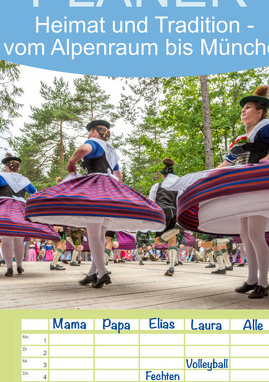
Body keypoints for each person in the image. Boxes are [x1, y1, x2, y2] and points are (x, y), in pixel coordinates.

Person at [174, 86, 269, 299]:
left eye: (248, 107)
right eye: (243, 108)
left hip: (259, 184)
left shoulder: (266, 126)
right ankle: (251, 280)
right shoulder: (241, 138)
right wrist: (203, 179)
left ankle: (263, 283)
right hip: (243, 186)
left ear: (259, 112)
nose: (243, 111)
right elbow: (226, 164)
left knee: (256, 234)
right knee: (245, 235)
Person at [25, 119, 165, 288]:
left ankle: (103, 272)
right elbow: (118, 175)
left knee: (93, 234)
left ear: (93, 132)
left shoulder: (94, 142)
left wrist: (71, 162)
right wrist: (115, 193)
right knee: (100, 235)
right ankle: (92, 274)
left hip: (96, 189)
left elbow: (84, 149)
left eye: (89, 133)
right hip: (109, 190)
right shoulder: (110, 150)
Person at [0, 154, 59, 277]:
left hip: (5, 209)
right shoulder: (24, 180)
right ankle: (20, 266)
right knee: (19, 239)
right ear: (18, 168)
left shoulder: (2, 177)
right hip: (21, 209)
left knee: (6, 238)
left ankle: (9, 267)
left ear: (6, 167)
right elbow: (35, 193)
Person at [149, 159, 180, 277]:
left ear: (163, 175)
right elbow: (179, 201)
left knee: (158, 241)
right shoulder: (177, 187)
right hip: (174, 211)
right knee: (173, 240)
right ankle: (171, 266)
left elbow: (151, 202)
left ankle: (176, 230)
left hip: (162, 212)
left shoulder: (157, 186)